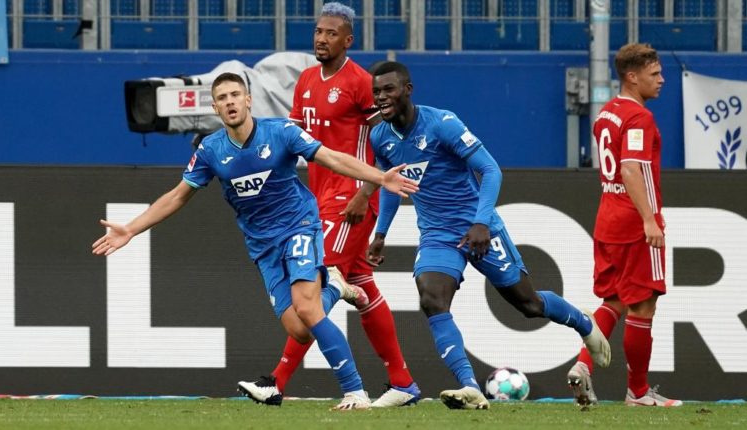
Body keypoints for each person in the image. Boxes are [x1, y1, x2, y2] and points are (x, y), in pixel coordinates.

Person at [91, 72, 418, 411]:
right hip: (263, 245)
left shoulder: (281, 132)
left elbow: (332, 157)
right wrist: (130, 229)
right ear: (215, 107)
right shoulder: (211, 150)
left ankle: (354, 392)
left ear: (248, 100)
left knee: (308, 307)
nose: (230, 102)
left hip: (299, 227)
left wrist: (380, 178)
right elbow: (177, 196)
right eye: (222, 98)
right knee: (299, 328)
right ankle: (335, 286)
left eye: (235, 95)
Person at [365, 61, 611, 410]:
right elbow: (392, 185)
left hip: (478, 227)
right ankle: (470, 387)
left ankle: (583, 322)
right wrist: (381, 233)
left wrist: (481, 222)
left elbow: (490, 170)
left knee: (528, 304)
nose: (381, 97)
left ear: (408, 89)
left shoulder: (442, 124)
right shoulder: (380, 137)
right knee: (432, 298)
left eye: (388, 89)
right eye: (376, 92)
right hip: (437, 234)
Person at [238, 2, 420, 408]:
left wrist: (365, 192)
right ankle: (403, 382)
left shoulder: (361, 82)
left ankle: (276, 381)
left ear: (347, 40)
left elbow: (384, 143)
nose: (321, 39)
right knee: (362, 285)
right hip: (318, 197)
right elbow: (293, 138)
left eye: (331, 33)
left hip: (351, 198)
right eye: (319, 32)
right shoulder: (305, 79)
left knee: (317, 287)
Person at [566, 43, 682, 407]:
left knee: (613, 300)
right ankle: (639, 392)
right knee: (643, 306)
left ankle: (583, 366)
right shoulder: (638, 118)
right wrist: (649, 218)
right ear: (632, 77)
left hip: (607, 218)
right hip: (633, 223)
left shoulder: (607, 113)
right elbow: (631, 169)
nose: (662, 80)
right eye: (654, 74)